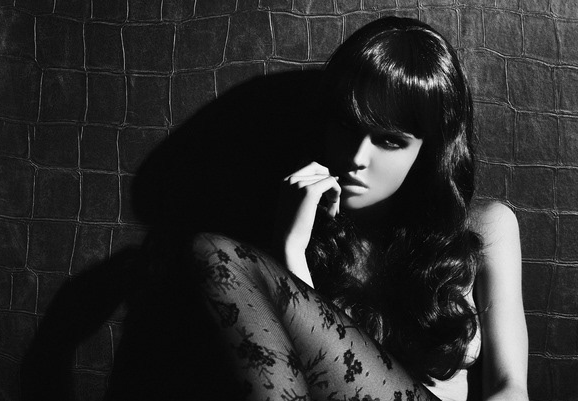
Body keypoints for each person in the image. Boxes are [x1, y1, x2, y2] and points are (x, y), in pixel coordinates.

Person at [189, 17, 528, 401]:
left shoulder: (486, 228)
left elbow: (511, 388)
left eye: (389, 140)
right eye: (348, 127)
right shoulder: (305, 231)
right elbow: (303, 373)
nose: (357, 158)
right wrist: (292, 248)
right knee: (214, 254)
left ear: (430, 151)